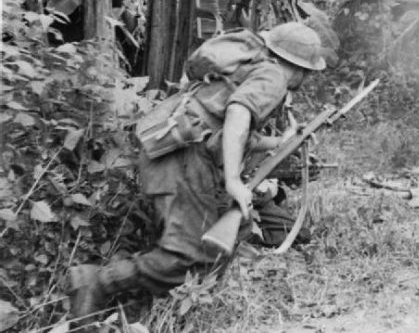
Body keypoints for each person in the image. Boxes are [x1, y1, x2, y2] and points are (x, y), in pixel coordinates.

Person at [66, 21, 326, 323]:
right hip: (184, 160)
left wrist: (281, 143)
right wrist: (232, 181)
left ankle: (169, 309)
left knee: (228, 232)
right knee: (189, 252)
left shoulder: (249, 70)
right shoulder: (273, 76)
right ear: (297, 66)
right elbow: (238, 115)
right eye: (307, 71)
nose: (306, 78)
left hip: (180, 155)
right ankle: (98, 282)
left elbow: (227, 127)